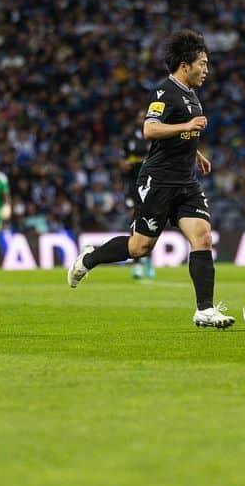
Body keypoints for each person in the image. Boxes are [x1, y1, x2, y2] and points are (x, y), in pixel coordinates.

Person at [67, 29, 233, 329]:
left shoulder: (192, 96)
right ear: (185, 65)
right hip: (158, 181)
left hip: (186, 182)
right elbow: (150, 129)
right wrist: (188, 124)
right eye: (202, 63)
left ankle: (205, 310)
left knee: (203, 238)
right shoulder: (164, 92)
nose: (206, 70)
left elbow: (182, 134)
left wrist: (197, 155)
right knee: (140, 248)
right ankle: (89, 260)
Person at [121, 112, 155, 280]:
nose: (141, 119)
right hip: (134, 186)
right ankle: (138, 263)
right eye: (139, 117)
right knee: (134, 220)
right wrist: (126, 163)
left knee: (152, 222)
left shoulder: (155, 134)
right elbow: (123, 162)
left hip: (151, 184)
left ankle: (148, 260)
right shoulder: (129, 139)